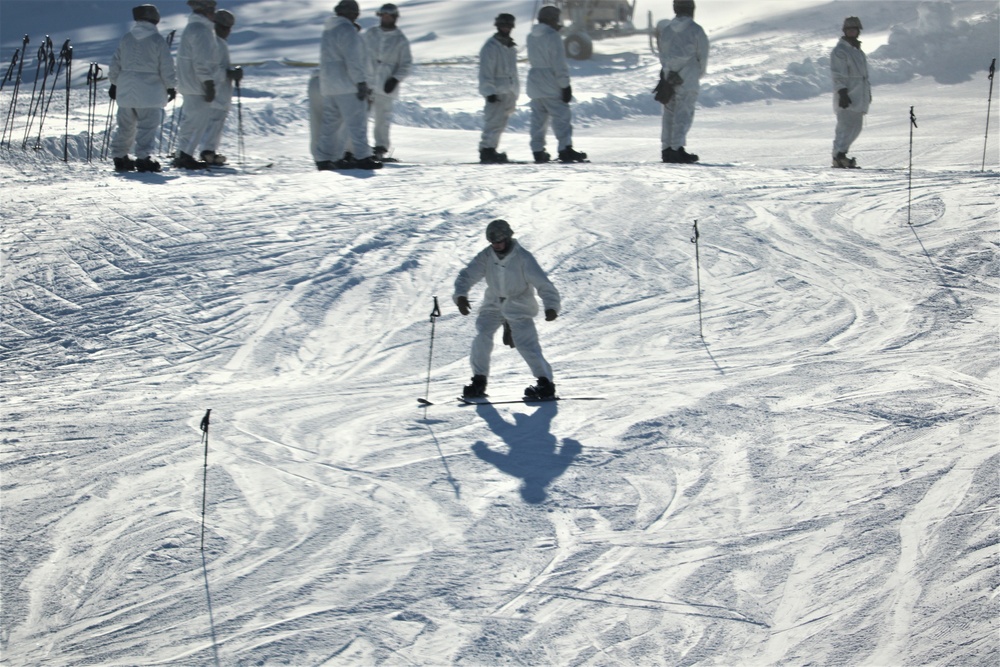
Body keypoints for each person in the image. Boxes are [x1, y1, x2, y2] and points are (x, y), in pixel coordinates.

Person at [454, 219, 561, 400]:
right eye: (492, 242)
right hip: (493, 303)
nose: (496, 246)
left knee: (526, 343)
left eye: (499, 241)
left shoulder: (523, 258)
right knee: (482, 336)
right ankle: (479, 381)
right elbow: (467, 274)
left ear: (508, 238)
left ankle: (545, 384)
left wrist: (551, 305)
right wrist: (461, 295)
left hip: (519, 304)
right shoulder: (487, 256)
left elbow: (543, 283)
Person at [108, 4, 176, 173]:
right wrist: (171, 86)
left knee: (125, 125)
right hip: (149, 92)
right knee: (146, 126)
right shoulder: (157, 40)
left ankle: (120, 157)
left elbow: (116, 62)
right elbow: (166, 66)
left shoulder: (127, 38)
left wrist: (114, 83)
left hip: (125, 88)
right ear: (154, 19)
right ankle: (144, 158)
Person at [317, 0, 381, 170]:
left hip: (330, 85)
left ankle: (324, 159)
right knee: (357, 123)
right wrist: (361, 82)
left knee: (330, 125)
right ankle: (362, 157)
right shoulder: (347, 30)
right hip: (347, 85)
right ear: (352, 13)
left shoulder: (328, 30)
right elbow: (353, 60)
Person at [526, 5, 586, 163]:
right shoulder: (553, 36)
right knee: (561, 117)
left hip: (534, 82)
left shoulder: (531, 36)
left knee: (538, 119)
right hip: (551, 82)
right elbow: (558, 64)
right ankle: (565, 148)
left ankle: (538, 150)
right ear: (551, 19)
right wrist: (565, 85)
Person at [655, 0, 708, 164]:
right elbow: (702, 56)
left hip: (669, 77)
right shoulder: (696, 30)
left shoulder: (667, 30)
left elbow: (662, 53)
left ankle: (667, 149)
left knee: (669, 113)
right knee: (683, 114)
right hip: (688, 77)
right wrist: (696, 73)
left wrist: (667, 72)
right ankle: (677, 149)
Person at [173, 0, 224, 169]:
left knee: (191, 121)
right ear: (205, 11)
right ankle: (185, 155)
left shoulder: (195, 28)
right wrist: (208, 82)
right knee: (196, 123)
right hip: (197, 85)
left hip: (192, 84)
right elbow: (201, 61)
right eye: (212, 9)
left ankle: (183, 153)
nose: (214, 13)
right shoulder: (201, 30)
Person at [363, 3, 412, 162]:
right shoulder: (370, 34)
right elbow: (358, 53)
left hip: (386, 85)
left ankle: (380, 149)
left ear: (395, 18)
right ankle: (354, 149)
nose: (386, 18)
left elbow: (406, 64)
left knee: (382, 119)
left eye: (389, 16)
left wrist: (395, 79)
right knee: (359, 116)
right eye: (383, 16)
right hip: (367, 82)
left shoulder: (400, 40)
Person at [197, 8, 242, 166]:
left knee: (216, 123)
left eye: (228, 28)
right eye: (224, 27)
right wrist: (229, 74)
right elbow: (213, 70)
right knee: (213, 122)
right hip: (215, 92)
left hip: (220, 93)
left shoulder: (218, 42)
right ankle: (207, 151)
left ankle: (209, 151)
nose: (227, 31)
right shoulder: (215, 42)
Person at [478, 13, 519, 164]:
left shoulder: (510, 47)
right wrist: (489, 91)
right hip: (496, 92)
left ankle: (491, 149)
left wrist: (515, 91)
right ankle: (486, 150)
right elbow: (485, 71)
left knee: (500, 123)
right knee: (493, 122)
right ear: (497, 26)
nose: (506, 28)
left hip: (508, 91)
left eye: (508, 25)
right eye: (503, 25)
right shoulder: (491, 47)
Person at [830, 16, 871, 168]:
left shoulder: (858, 51)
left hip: (859, 96)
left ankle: (842, 154)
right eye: (849, 29)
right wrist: (842, 92)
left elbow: (863, 77)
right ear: (845, 31)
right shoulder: (840, 51)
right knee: (844, 127)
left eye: (855, 29)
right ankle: (837, 156)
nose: (852, 32)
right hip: (846, 96)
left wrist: (867, 93)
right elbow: (838, 73)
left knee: (856, 127)